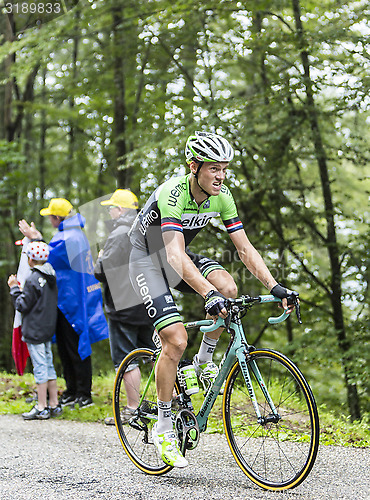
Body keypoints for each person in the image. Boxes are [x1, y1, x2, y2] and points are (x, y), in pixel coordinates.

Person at [129, 131, 297, 467]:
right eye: (213, 169)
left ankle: (202, 364)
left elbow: (244, 248)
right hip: (144, 260)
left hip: (177, 254)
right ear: (194, 167)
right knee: (176, 339)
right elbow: (174, 255)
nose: (220, 175)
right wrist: (207, 294)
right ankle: (163, 426)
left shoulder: (222, 197)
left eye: (224, 168)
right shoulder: (172, 193)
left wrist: (274, 286)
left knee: (230, 289)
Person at [18, 198, 109, 409]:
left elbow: (45, 257)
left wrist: (35, 239)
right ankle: (71, 391)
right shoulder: (72, 234)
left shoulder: (69, 238)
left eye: (50, 216)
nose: (49, 219)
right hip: (68, 300)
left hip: (72, 302)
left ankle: (83, 393)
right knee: (67, 349)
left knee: (75, 347)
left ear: (57, 217)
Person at [93, 189, 154, 425]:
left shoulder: (118, 233)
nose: (109, 212)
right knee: (155, 355)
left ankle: (132, 409)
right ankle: (173, 402)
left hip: (123, 307)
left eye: (111, 208)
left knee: (127, 359)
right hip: (149, 302)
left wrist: (100, 257)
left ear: (120, 210)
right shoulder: (147, 229)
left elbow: (101, 271)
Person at [8, 241, 62, 420]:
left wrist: (14, 288)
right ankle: (54, 403)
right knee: (48, 364)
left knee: (40, 367)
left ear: (31, 259)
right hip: (47, 328)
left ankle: (41, 406)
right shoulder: (50, 275)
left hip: (35, 330)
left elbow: (22, 305)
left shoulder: (32, 279)